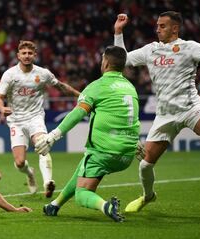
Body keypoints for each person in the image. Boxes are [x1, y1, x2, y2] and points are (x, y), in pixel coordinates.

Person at [113, 11, 200, 213]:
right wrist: (118, 33)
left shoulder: (190, 47)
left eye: (162, 26)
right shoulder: (150, 50)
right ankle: (148, 196)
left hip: (191, 108)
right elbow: (123, 60)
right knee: (145, 166)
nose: (157, 29)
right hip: (164, 115)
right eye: (157, 25)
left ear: (175, 28)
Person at [35, 46, 140, 222]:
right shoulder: (130, 87)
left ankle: (106, 206)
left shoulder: (97, 86)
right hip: (127, 155)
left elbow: (78, 113)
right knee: (83, 167)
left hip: (104, 151)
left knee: (82, 194)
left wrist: (53, 135)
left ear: (105, 62)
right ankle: (55, 205)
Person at [0, 40, 80, 197]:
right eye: (24, 53)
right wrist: (1, 108)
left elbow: (61, 86)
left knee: (42, 145)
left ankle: (48, 182)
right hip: (16, 121)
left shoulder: (43, 73)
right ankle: (30, 173)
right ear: (18, 56)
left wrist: (81, 95)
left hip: (35, 117)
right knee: (20, 163)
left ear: (34, 55)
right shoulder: (10, 74)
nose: (27, 56)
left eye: (29, 53)